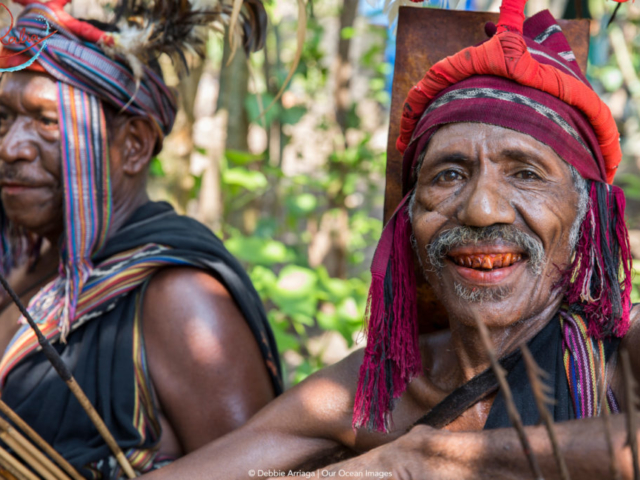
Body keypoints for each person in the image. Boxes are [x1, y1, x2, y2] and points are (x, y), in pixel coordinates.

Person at [143, 0, 640, 478]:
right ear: (409, 219)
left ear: (585, 217)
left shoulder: (623, 362)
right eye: (448, 174)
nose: (481, 209)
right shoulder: (375, 392)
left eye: (526, 173)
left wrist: (426, 460)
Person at [0, 0, 281, 477]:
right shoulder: (25, 265)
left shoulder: (182, 299)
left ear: (133, 146)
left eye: (48, 122)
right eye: (3, 118)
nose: (10, 147)